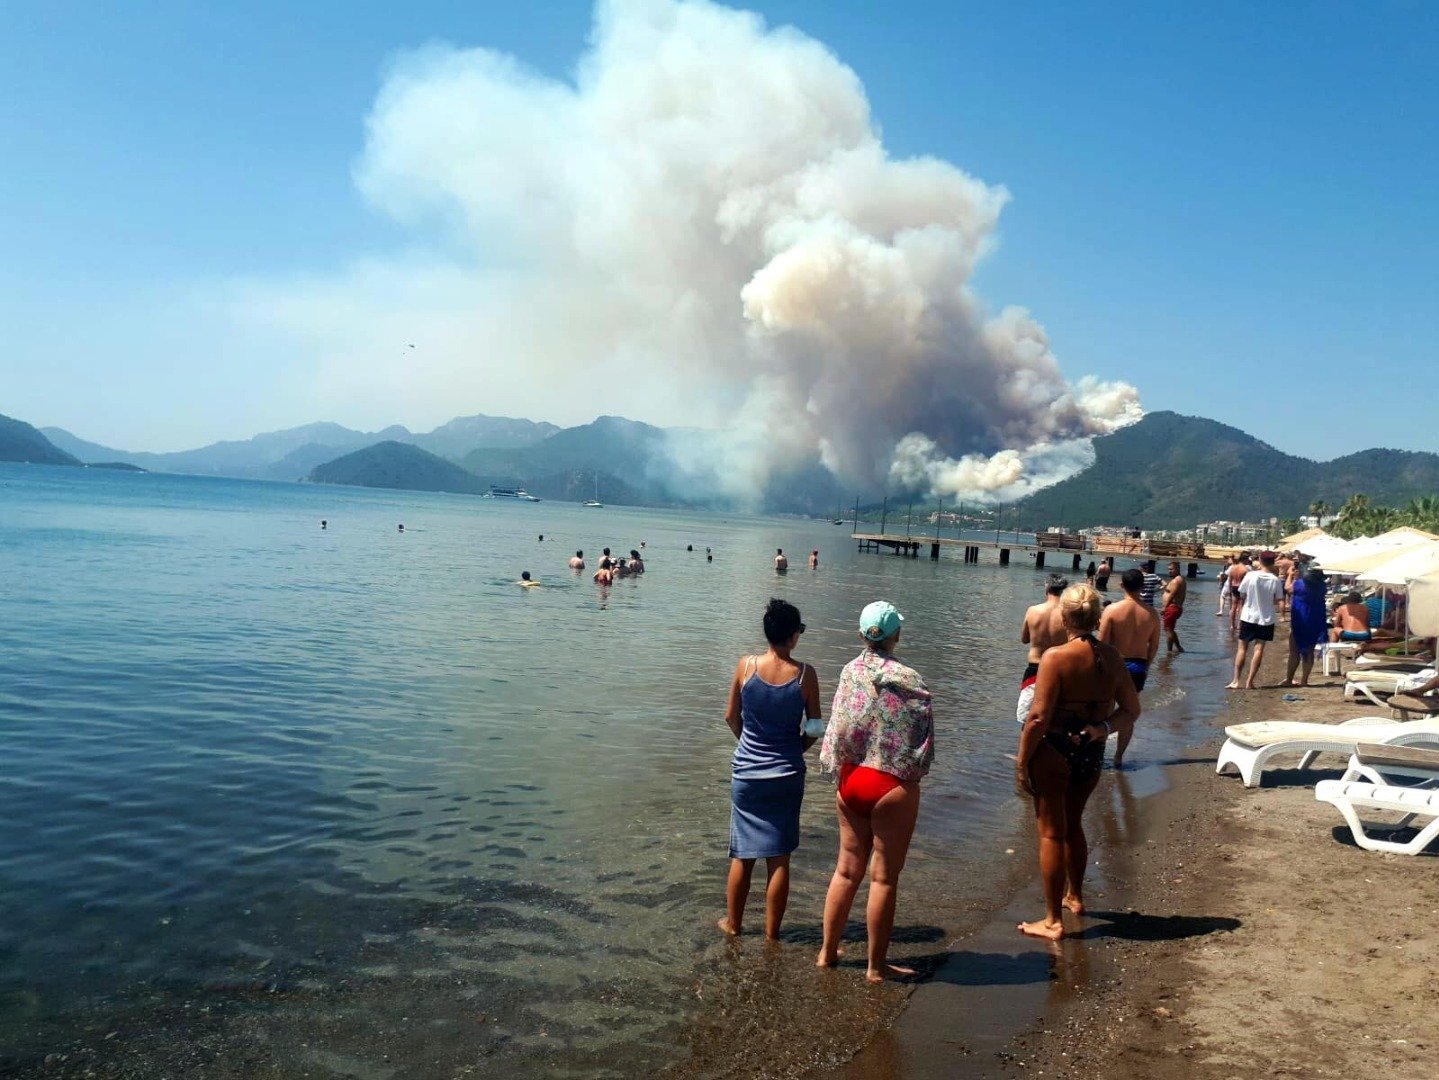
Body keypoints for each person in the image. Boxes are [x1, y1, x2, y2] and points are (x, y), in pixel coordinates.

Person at [817, 601, 934, 982]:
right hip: (889, 784)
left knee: (846, 871)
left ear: (861, 634)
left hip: (852, 781)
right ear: (895, 636)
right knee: (883, 878)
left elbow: (839, 725)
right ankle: (875, 967)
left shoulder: (849, 671)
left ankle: (827, 952)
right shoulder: (910, 678)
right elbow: (921, 738)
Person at [1017, 585, 1140, 940]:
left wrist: (1022, 761)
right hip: (1090, 751)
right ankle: (1075, 897)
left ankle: (1053, 920)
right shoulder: (1113, 657)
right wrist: (1102, 728)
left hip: (1054, 749)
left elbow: (1038, 718)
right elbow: (1132, 710)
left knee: (1051, 833)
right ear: (1097, 616)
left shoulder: (1056, 657)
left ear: (1064, 617)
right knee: (1074, 825)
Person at [719, 599, 822, 939]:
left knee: (742, 855)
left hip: (747, 773)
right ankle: (771, 935)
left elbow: (731, 717)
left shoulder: (745, 667)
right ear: (793, 636)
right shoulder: (806, 675)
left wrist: (747, 742)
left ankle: (733, 925)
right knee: (779, 858)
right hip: (787, 774)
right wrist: (794, 749)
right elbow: (815, 727)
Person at [1097, 569, 1159, 767]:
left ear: (1121, 585)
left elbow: (1102, 644)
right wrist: (1147, 665)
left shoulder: (1112, 610)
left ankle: (1099, 754)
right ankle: (1118, 757)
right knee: (1128, 713)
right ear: (1142, 587)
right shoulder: (1151, 614)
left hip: (1115, 664)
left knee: (1105, 711)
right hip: (1138, 666)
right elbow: (1154, 645)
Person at [1228, 552, 1285, 689]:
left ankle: (1236, 681)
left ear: (1260, 560)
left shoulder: (1251, 575)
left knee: (1242, 648)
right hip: (1266, 618)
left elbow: (1241, 593)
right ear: (1273, 562)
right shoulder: (1275, 580)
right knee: (1259, 650)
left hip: (1248, 616)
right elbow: (1279, 599)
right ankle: (1250, 682)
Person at [1018, 575, 1069, 725]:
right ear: (1064, 591)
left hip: (1035, 670)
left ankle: (1028, 747)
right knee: (1056, 717)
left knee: (1028, 718)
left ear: (1046, 588)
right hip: (1060, 670)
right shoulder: (1069, 614)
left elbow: (1025, 639)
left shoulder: (1033, 610)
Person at [1283, 567, 1328, 686]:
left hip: (1301, 619)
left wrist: (1290, 575)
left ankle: (1289, 679)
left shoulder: (1300, 584)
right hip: (1315, 619)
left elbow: (1287, 588)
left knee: (1294, 651)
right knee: (1309, 651)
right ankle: (1304, 680)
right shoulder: (1322, 586)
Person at [1161, 561, 1187, 654]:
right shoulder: (1180, 579)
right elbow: (1172, 592)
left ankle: (1169, 651)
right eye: (1169, 569)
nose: (1169, 571)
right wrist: (1165, 588)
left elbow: (1172, 595)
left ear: (1177, 569)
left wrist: (1164, 607)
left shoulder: (1176, 581)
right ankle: (1179, 648)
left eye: (1171, 569)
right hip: (1176, 607)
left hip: (1172, 608)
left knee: (1168, 630)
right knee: (1170, 629)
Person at [1226, 555, 1250, 634]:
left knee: (1233, 607)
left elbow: (1230, 580)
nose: (1248, 561)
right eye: (1247, 560)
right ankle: (1239, 625)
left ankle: (1232, 625)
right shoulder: (1245, 569)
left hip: (1234, 587)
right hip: (1241, 588)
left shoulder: (1232, 568)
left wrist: (1230, 590)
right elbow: (1247, 582)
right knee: (1241, 607)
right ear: (1244, 560)